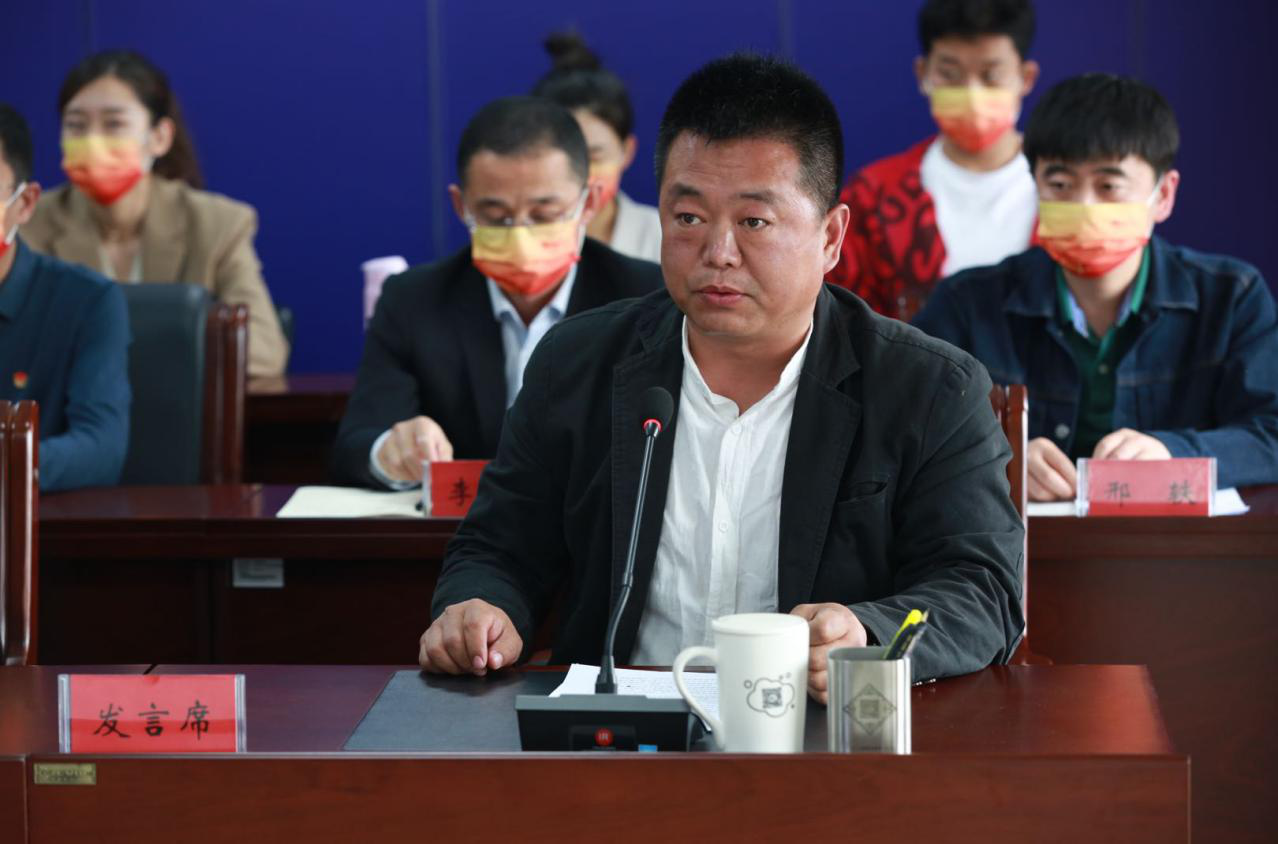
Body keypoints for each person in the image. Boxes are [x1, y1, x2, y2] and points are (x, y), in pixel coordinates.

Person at [419, 55, 1025, 700]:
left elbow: (982, 591)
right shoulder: (577, 362)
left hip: (814, 725)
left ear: (830, 237)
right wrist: (481, 608)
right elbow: (499, 547)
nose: (717, 253)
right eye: (688, 218)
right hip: (619, 726)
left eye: (753, 221)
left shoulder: (929, 388)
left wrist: (867, 634)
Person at [913, 74, 1278, 500]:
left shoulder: (1231, 297)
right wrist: (998, 456)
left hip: (1176, 539)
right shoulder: (967, 303)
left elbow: (1271, 432)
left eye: (1109, 187)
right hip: (1022, 541)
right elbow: (905, 425)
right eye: (1060, 185)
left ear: (1163, 195)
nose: (1083, 206)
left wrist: (1173, 453)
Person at [331, 96, 662, 489]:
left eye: (543, 214)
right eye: (497, 217)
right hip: (463, 524)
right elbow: (357, 443)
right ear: (461, 206)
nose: (520, 234)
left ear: (587, 203)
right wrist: (392, 450)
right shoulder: (413, 300)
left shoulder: (645, 297)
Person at [22, 50, 289, 377]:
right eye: (76, 126)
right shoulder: (28, 223)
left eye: (114, 124)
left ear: (159, 137)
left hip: (178, 408)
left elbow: (263, 351)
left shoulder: (217, 224)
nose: (92, 141)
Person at [825, 0, 1040, 320]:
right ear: (923, 73)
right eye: (950, 75)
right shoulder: (872, 197)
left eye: (991, 76)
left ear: (1026, 77)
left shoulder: (1072, 191)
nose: (971, 93)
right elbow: (839, 319)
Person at [0, 104, 130, 492]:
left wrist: (9, 462)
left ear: (24, 203)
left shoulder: (87, 301)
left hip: (27, 519)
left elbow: (101, 448)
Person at [533, 31, 661, 263]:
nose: (581, 173)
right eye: (565, 157)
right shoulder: (520, 239)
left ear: (626, 152)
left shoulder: (661, 236)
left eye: (595, 157)